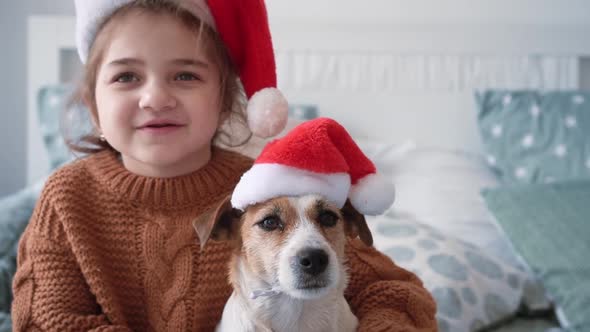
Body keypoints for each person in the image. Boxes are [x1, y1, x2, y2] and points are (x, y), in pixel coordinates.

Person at [11, 0, 437, 331]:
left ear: (226, 101)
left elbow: (390, 291)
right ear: (93, 107)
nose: (155, 97)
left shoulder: (264, 191)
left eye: (185, 76)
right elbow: (48, 320)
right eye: (126, 77)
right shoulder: (66, 197)